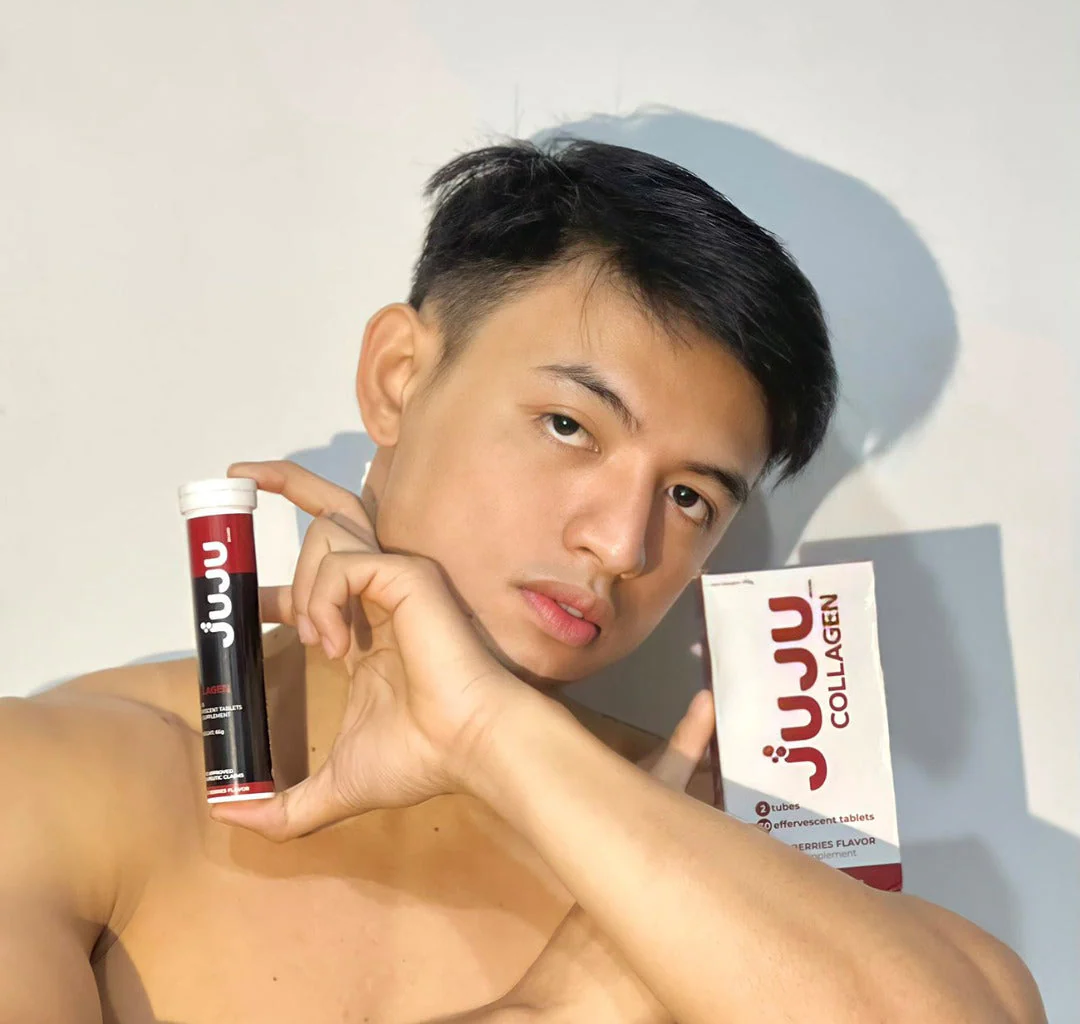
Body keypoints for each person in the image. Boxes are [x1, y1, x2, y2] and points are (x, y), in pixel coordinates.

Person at [1, 140, 1044, 1023]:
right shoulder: (64, 778)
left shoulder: (718, 844)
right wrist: (562, 1006)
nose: (622, 544)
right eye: (568, 426)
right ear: (398, 378)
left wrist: (488, 735)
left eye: (689, 497)